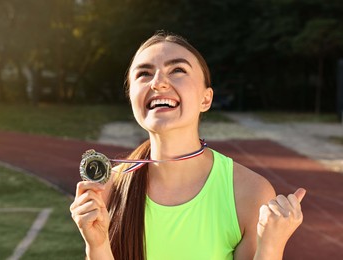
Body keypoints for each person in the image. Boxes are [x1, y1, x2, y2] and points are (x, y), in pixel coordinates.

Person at [70, 31, 306, 260]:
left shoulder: (249, 193)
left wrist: (271, 246)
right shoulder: (109, 187)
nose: (158, 83)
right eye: (144, 73)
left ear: (206, 99)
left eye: (178, 70)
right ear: (131, 96)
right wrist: (97, 244)